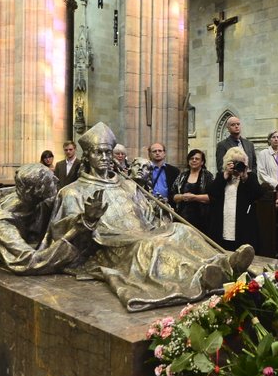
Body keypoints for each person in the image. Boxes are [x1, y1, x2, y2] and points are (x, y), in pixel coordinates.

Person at [46, 122, 254, 311]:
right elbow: (62, 234)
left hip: (143, 231)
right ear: (87, 156)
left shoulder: (126, 184)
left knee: (182, 230)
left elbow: (146, 215)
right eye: (98, 152)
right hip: (109, 244)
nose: (104, 157)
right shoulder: (72, 191)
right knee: (153, 245)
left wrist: (159, 212)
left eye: (107, 152)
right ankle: (203, 277)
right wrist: (87, 218)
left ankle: (225, 264)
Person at [208, 146, 262, 251]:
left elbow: (258, 194)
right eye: (234, 162)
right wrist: (226, 174)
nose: (237, 165)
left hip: (243, 225)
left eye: (240, 162)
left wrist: (245, 177)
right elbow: (212, 193)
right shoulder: (221, 176)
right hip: (223, 222)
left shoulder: (250, 177)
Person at [171, 149, 214, 233]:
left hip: (202, 219)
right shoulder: (181, 176)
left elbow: (212, 197)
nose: (194, 160)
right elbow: (173, 195)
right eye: (191, 158)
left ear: (202, 162)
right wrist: (182, 197)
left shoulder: (208, 176)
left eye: (197, 159)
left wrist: (194, 197)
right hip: (182, 218)